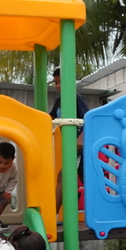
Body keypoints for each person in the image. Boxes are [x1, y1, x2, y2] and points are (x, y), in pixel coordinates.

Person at [50, 67, 90, 212]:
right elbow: (50, 118)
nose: (58, 86)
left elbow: (89, 119)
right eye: (56, 82)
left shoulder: (76, 97)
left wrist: (81, 140)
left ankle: (98, 212)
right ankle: (52, 215)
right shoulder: (59, 101)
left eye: (61, 82)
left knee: (83, 179)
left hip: (81, 147)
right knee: (66, 177)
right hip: (73, 148)